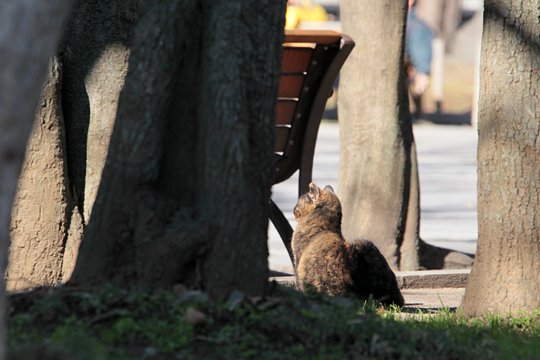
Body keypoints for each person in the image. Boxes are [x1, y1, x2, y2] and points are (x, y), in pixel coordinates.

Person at [405, 0, 434, 116]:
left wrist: (422, 71)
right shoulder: (417, 24)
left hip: (409, 68)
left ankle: (418, 111)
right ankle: (418, 111)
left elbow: (420, 49)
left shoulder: (415, 26)